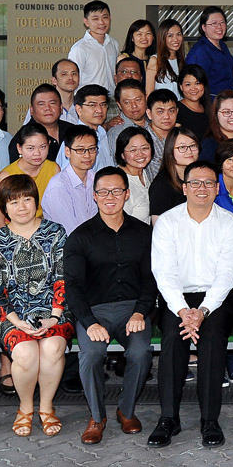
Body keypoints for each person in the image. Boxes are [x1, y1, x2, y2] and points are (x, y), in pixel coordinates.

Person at [148, 160, 233, 448]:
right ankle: (169, 418)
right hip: (176, 298)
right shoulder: (167, 221)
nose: (202, 188)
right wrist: (182, 311)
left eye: (208, 183)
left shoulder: (229, 223)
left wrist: (202, 311)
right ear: (185, 187)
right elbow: (163, 273)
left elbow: (228, 275)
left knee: (213, 338)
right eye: (195, 183)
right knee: (173, 338)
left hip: (216, 299)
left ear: (217, 188)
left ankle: (209, 420)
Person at [62, 166, 156, 444]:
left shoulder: (143, 233)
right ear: (94, 196)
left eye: (116, 190)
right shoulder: (80, 237)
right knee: (90, 355)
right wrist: (89, 323)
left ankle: (126, 411)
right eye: (103, 191)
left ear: (127, 194)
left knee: (140, 353)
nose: (110, 196)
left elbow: (152, 279)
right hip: (94, 311)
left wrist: (141, 311)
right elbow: (73, 287)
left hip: (133, 309)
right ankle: (96, 416)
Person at [0, 174, 73, 437]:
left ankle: (46, 408)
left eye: (27, 199)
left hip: (54, 311)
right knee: (25, 353)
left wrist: (55, 317)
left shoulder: (55, 233)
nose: (21, 207)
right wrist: (16, 321)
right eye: (13, 202)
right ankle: (25, 408)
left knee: (53, 347)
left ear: (36, 201)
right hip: (12, 316)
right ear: (4, 207)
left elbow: (62, 277)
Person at [0, 123, 60, 229]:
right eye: (30, 148)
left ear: (49, 144)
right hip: (9, 233)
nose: (37, 153)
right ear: (19, 148)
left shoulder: (54, 169)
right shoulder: (6, 176)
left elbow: (56, 210)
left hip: (40, 230)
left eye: (42, 147)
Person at [41, 125, 100, 233]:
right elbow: (70, 231)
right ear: (67, 151)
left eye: (92, 149)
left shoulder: (97, 179)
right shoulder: (58, 186)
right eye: (80, 150)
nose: (87, 155)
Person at [54, 85, 113, 174]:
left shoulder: (101, 132)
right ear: (78, 109)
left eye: (103, 104)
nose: (99, 110)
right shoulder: (75, 139)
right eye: (92, 105)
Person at [149, 126, 201, 223]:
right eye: (182, 147)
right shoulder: (161, 185)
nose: (189, 151)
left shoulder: (200, 177)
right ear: (170, 150)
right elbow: (159, 226)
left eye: (193, 146)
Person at [9, 84, 72, 162]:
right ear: (31, 110)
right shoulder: (21, 138)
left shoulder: (73, 131)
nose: (47, 108)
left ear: (61, 108)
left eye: (52, 103)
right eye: (41, 104)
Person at [67, 1, 119, 90]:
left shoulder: (113, 43)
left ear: (110, 18)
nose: (101, 22)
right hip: (89, 100)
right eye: (95, 19)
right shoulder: (79, 48)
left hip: (111, 99)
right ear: (86, 22)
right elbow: (73, 79)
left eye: (105, 17)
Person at [185, 7, 233, 93]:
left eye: (222, 22)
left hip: (227, 101)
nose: (219, 27)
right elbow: (196, 84)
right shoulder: (201, 51)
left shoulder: (223, 45)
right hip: (211, 102)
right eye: (214, 23)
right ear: (204, 27)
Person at [114, 126, 154, 223]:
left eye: (145, 148)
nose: (140, 154)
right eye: (133, 150)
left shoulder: (144, 172)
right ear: (122, 154)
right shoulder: (118, 182)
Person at [106, 79, 149, 152]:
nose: (134, 106)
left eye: (138, 100)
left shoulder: (156, 123)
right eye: (127, 102)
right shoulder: (116, 133)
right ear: (119, 105)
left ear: (146, 98)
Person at [146, 18, 185, 97]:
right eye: (170, 35)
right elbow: (149, 94)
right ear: (163, 38)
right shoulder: (155, 60)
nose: (175, 39)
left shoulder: (184, 60)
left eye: (178, 34)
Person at [144, 88, 179, 173]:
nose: (166, 116)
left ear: (177, 111)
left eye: (171, 111)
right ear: (149, 114)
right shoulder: (143, 140)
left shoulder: (181, 136)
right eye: (160, 112)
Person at [175, 64, 212, 141]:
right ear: (181, 87)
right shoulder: (176, 110)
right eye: (188, 84)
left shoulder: (210, 107)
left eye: (197, 83)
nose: (193, 88)